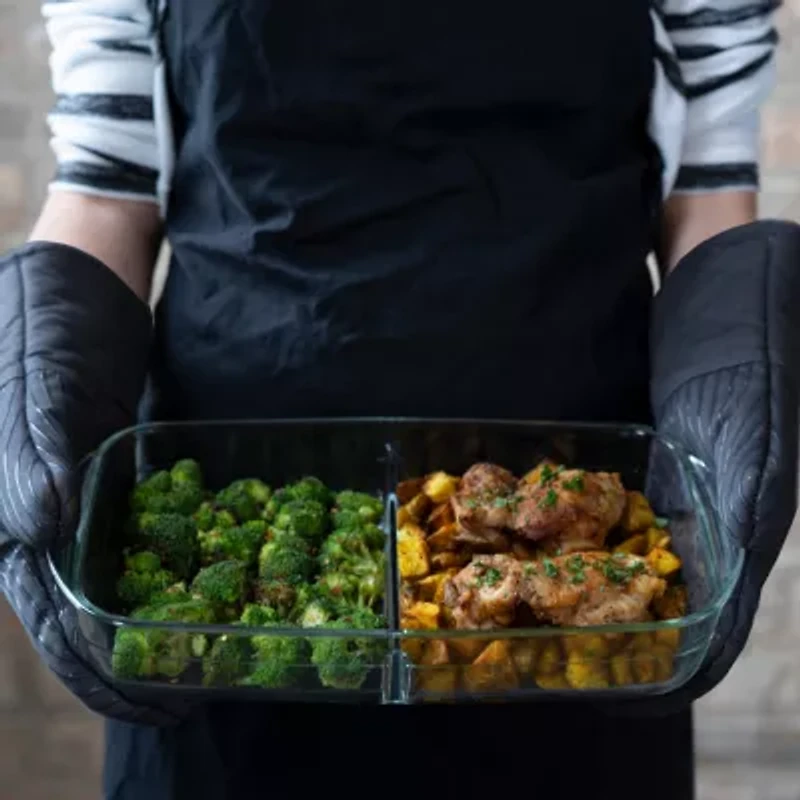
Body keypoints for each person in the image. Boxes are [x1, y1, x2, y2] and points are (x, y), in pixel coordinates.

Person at [1, 0, 799, 798]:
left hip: (575, 542)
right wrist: (49, 353)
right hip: (234, 536)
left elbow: (709, 181)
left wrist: (725, 358)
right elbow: (105, 184)